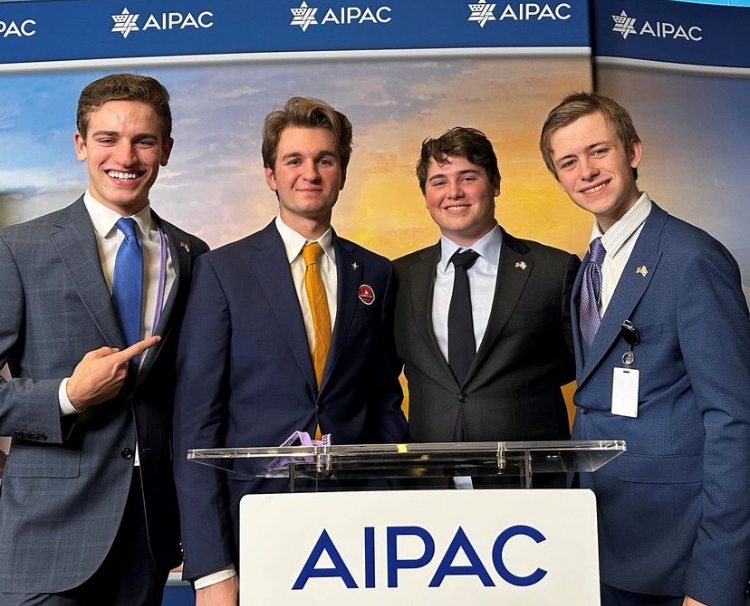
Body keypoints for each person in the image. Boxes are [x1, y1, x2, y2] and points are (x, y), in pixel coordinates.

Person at [173, 96, 408, 605]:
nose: (311, 173)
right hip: (254, 523)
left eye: (325, 159)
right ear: (270, 175)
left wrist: (389, 502)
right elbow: (196, 425)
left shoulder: (376, 274)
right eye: (294, 160)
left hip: (359, 528)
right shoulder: (223, 272)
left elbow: (384, 399)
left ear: (342, 173)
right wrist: (212, 567)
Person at [0, 73, 209, 606]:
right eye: (107, 139)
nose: (127, 155)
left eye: (143, 140)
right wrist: (68, 395)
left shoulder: (193, 254)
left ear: (166, 149)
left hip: (150, 533)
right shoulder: (18, 249)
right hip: (46, 533)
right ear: (80, 146)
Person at [539, 91, 750, 606]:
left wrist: (714, 579)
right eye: (568, 162)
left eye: (598, 151)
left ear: (632, 151)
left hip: (674, 553)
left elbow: (735, 419)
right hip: (601, 533)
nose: (586, 171)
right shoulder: (590, 263)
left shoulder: (692, 257)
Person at [393, 126, 579, 445]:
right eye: (439, 182)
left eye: (468, 177)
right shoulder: (399, 277)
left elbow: (578, 368)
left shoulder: (554, 270)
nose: (454, 192)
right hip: (428, 479)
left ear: (494, 183)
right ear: (426, 196)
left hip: (530, 479)